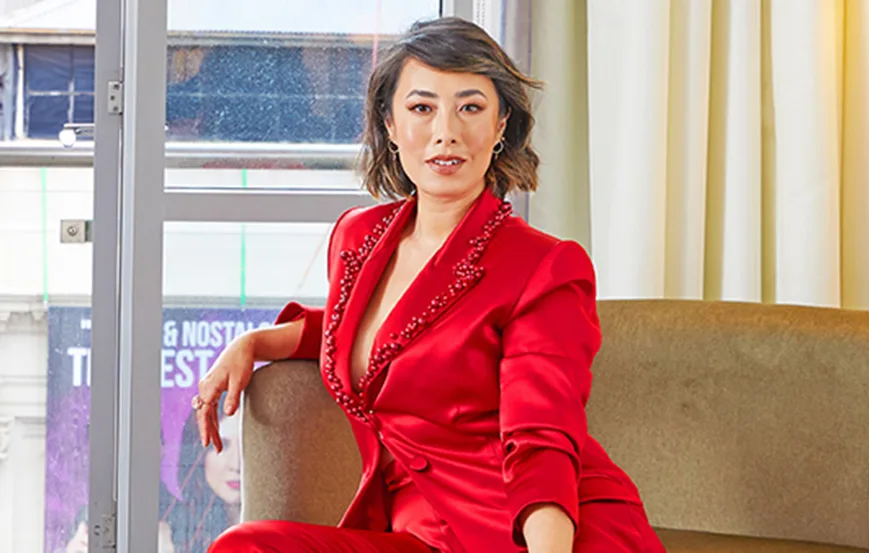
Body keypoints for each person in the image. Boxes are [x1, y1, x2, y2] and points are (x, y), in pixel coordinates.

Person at [192, 16, 665, 553]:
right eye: (422, 108)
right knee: (246, 546)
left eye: (470, 107)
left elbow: (542, 442)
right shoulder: (358, 236)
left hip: (533, 531)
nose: (447, 132)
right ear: (390, 124)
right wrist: (253, 343)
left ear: (501, 125)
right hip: (421, 532)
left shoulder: (545, 266)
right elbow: (384, 336)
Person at [168, 403, 241, 553]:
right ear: (199, 454)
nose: (236, 465)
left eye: (246, 447)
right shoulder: (166, 541)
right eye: (221, 446)